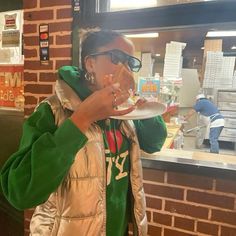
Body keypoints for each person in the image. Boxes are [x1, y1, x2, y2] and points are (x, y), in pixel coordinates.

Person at [0, 30, 167, 236]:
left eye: (131, 63)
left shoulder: (124, 111)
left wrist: (143, 109)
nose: (125, 69)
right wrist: (81, 120)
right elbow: (21, 192)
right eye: (117, 58)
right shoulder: (52, 111)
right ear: (90, 64)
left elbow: (155, 142)